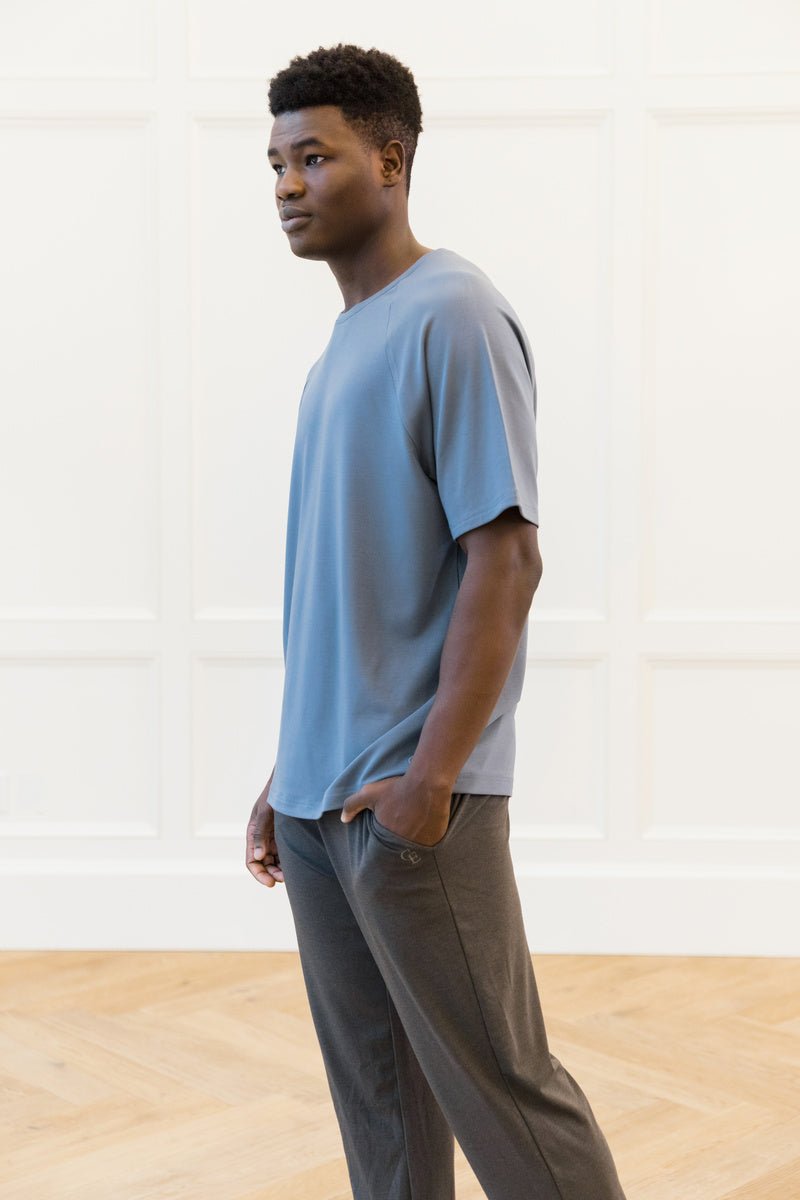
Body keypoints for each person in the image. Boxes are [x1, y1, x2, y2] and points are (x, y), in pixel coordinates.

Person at [246, 42, 627, 1200]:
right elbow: (347, 593)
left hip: (413, 804)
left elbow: (504, 560)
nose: (286, 187)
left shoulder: (451, 314)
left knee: (505, 1096)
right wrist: (286, 768)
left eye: (314, 157)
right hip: (323, 805)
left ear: (391, 161)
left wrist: (430, 776)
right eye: (272, 164)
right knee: (381, 1111)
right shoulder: (336, 351)